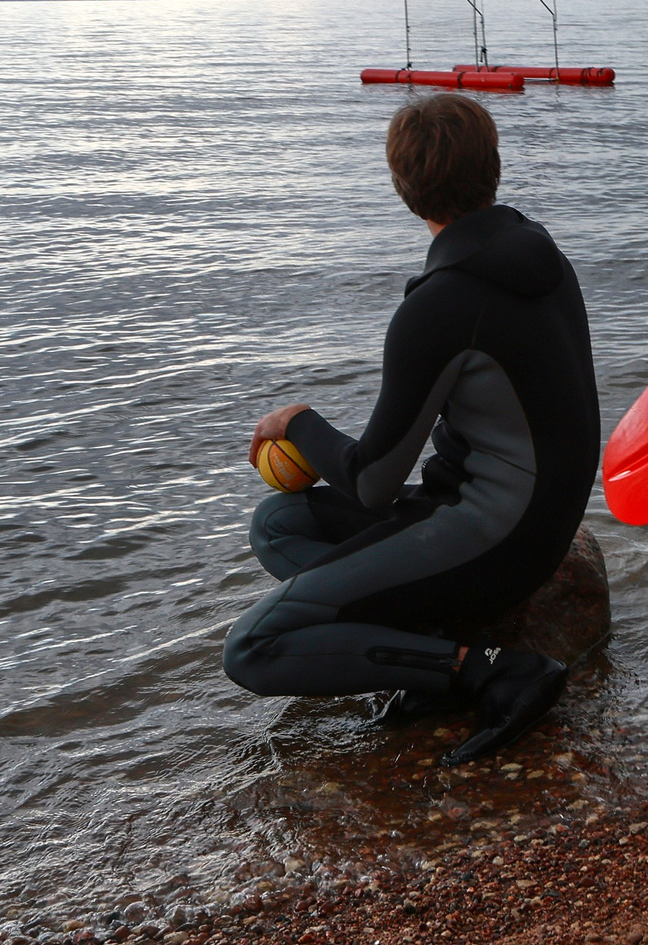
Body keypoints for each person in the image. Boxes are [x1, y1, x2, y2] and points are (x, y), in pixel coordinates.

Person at [222, 94, 597, 766]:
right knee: (277, 524)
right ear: (496, 166)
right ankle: (428, 646)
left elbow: (372, 481)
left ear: (402, 188)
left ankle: (490, 670)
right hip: (534, 517)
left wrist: (296, 422)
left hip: (495, 535)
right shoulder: (536, 252)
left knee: (253, 646)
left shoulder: (440, 305)